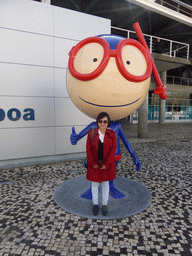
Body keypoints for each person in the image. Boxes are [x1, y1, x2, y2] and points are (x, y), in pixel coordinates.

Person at [86, 112, 117, 216]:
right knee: (94, 184)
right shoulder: (91, 133)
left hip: (106, 165)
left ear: (108, 122)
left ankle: (104, 204)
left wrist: (107, 163)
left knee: (105, 184)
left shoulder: (112, 134)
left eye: (105, 121)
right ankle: (95, 204)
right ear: (97, 122)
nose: (102, 123)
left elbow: (113, 149)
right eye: (100, 121)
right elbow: (88, 149)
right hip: (95, 164)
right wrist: (92, 162)